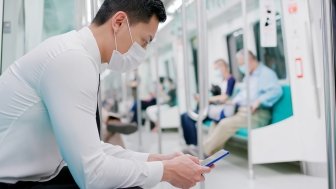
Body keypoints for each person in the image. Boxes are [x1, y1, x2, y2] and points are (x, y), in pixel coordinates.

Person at [0, 1, 211, 189]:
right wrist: (167, 170)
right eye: (144, 41)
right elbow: (93, 174)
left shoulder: (78, 56)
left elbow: (91, 149)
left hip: (40, 175)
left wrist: (156, 159)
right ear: (119, 22)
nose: (142, 51)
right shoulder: (72, 60)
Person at [200, 50, 283, 156]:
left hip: (256, 113)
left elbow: (276, 91)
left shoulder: (265, 74)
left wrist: (259, 101)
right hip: (241, 111)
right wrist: (232, 102)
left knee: (224, 124)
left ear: (249, 61)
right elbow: (243, 95)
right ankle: (211, 154)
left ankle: (203, 152)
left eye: (241, 64)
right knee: (215, 121)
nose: (240, 67)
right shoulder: (249, 76)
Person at [181, 59, 236, 148]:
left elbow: (225, 97)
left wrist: (207, 99)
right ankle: (190, 144)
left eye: (217, 68)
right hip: (212, 107)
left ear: (223, 67)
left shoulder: (231, 80)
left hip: (219, 110)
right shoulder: (221, 81)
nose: (216, 71)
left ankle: (194, 145)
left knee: (188, 117)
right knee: (183, 116)